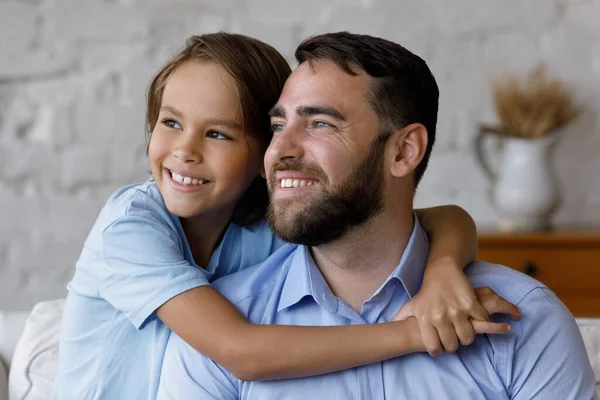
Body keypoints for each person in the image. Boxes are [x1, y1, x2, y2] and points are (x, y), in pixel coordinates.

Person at [53, 32, 514, 400]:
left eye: (217, 133)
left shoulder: (269, 225)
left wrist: (442, 272)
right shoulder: (131, 226)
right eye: (170, 123)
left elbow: (445, 217)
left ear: (264, 154)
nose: (184, 151)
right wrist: (413, 335)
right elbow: (239, 351)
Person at [158, 32, 597, 400]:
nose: (280, 151)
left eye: (320, 124)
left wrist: (443, 265)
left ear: (404, 151)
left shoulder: (524, 320)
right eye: (277, 126)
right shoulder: (219, 331)